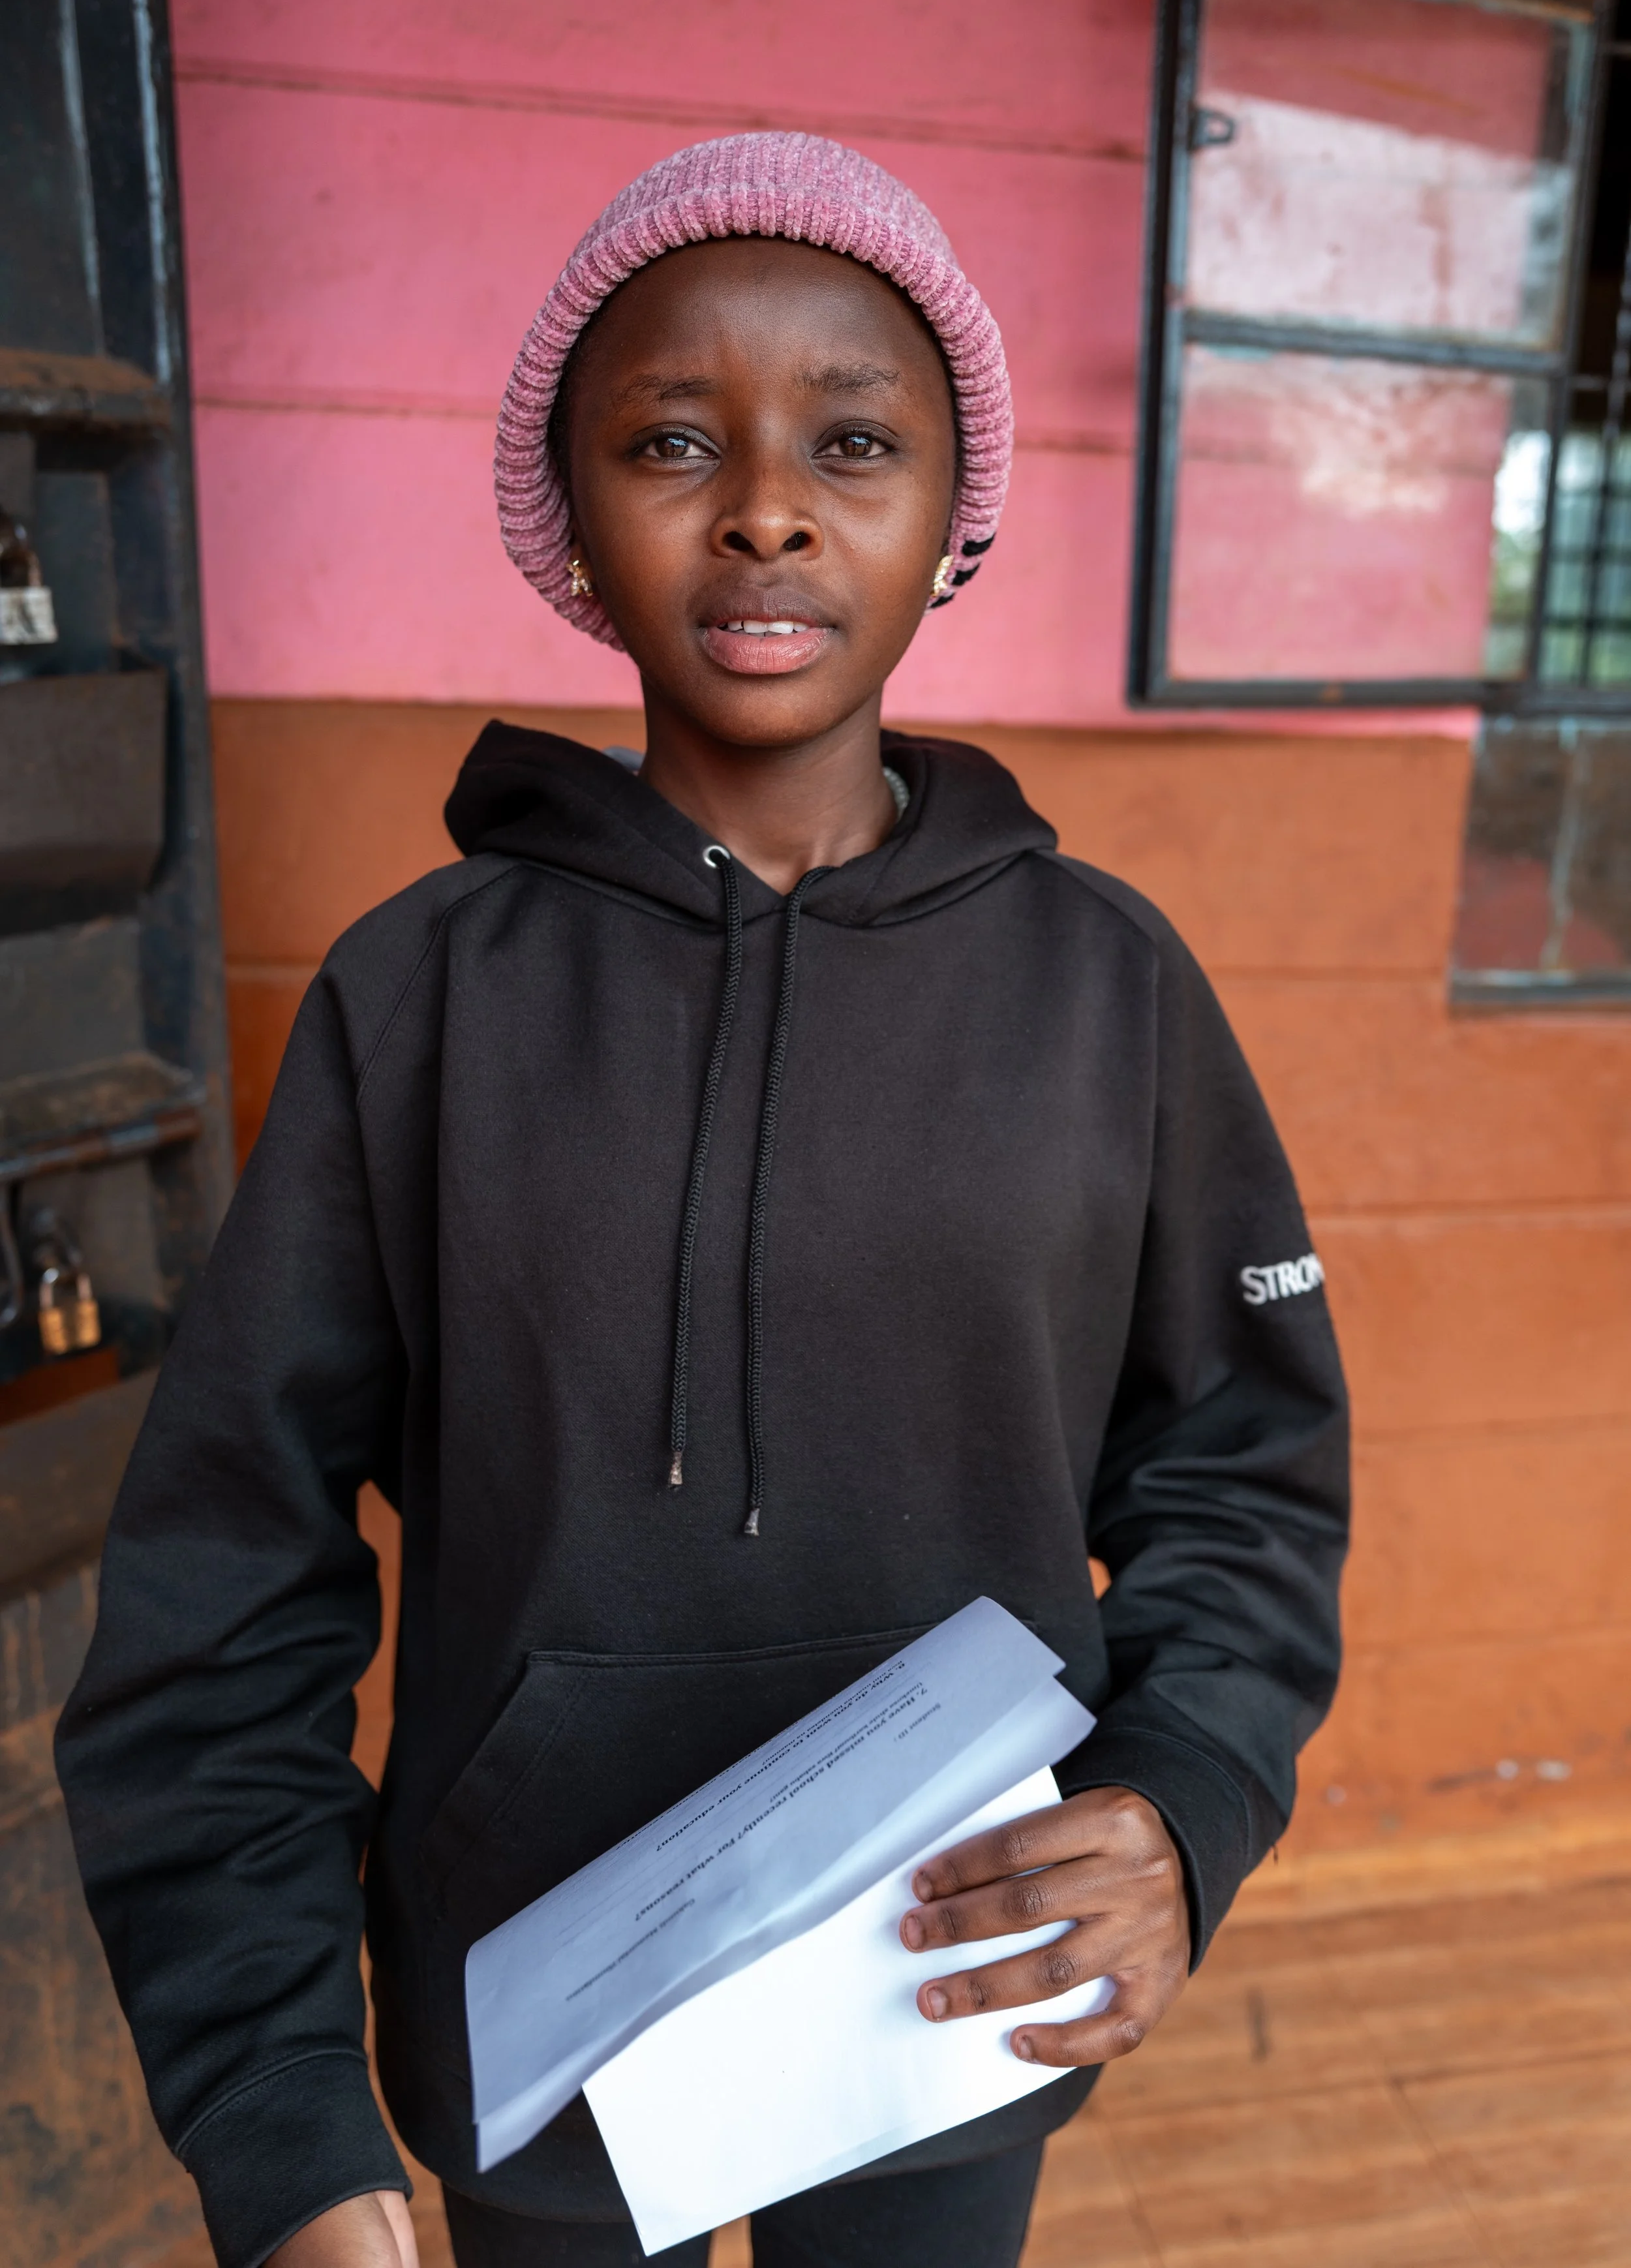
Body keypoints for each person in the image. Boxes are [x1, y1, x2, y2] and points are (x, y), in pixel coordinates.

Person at [57, 133, 1349, 2268]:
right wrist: (278, 2109)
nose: (766, 505)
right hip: (529, 2019)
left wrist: (1178, 1797)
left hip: (939, 2001)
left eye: (855, 439)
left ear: (959, 516)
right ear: (567, 512)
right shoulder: (422, 998)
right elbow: (227, 1580)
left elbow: (1243, 1462)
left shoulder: (1104, 987)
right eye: (673, 440)